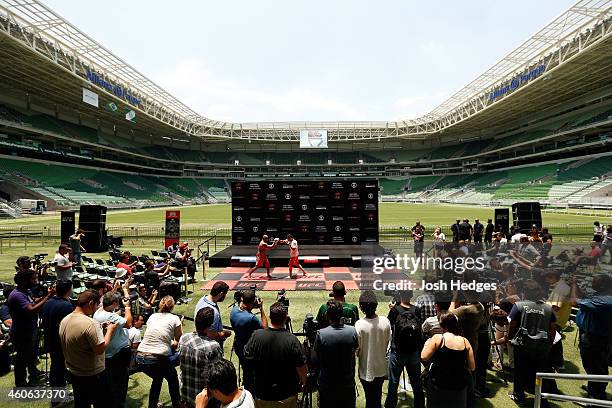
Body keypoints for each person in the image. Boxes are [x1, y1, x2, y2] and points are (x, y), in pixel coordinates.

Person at [59, 290, 117, 408]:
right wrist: (110, 331)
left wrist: (99, 329)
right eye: (96, 305)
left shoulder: (65, 319)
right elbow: (100, 349)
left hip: (75, 372)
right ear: (91, 303)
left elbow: (81, 339)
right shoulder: (91, 324)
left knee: (81, 403)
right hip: (93, 374)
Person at [244, 302, 307, 407]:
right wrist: (304, 382)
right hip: (286, 395)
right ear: (286, 318)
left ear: (269, 317)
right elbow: (301, 366)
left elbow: (247, 358)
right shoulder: (292, 340)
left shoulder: (256, 336)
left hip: (262, 393)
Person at [507, 280, 556, 405]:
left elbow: (512, 324)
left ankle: (518, 394)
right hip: (542, 346)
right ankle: (542, 398)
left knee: (520, 370)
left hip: (522, 345)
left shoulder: (518, 305)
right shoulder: (548, 308)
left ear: (525, 293)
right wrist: (550, 344)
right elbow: (552, 328)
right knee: (540, 372)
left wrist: (509, 337)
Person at [8, 268, 55, 387]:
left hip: (30, 330)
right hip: (21, 332)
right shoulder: (17, 295)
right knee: (21, 358)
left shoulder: (25, 291)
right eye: (33, 279)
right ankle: (21, 383)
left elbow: (33, 302)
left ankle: (34, 373)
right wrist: (48, 297)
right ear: (25, 280)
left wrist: (46, 296)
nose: (36, 281)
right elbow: (31, 309)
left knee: (31, 355)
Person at [421, 312, 476, 408]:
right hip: (459, 384)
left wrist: (426, 343)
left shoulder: (438, 338)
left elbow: (424, 357)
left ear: (442, 325)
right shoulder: (465, 341)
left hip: (438, 383)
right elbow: (472, 367)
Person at [136, 295, 183, 408]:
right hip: (156, 358)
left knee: (158, 378)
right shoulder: (175, 319)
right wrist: (180, 324)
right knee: (172, 378)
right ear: (172, 306)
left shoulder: (153, 316)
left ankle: (153, 405)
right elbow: (178, 342)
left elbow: (158, 336)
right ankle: (177, 404)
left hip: (140, 356)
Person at [571, 274, 612, 401]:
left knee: (595, 368)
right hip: (595, 338)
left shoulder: (604, 301)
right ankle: (594, 389)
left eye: (595, 282)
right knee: (596, 367)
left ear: (603, 285)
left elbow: (574, 300)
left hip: (595, 340)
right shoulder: (602, 296)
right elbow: (584, 296)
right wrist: (576, 283)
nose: (591, 283)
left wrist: (573, 286)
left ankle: (594, 398)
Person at [93, 283, 133, 408]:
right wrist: (127, 307)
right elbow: (128, 323)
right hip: (118, 353)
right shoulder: (111, 316)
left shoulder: (99, 311)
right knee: (121, 379)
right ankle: (120, 403)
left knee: (112, 380)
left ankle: (113, 401)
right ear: (115, 303)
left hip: (108, 353)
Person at [315, 299, 359, 408]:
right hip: (347, 382)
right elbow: (354, 351)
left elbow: (318, 356)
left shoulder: (321, 334)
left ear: (328, 316)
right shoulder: (352, 331)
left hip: (327, 384)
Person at [385, 290, 424, 408]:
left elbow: (389, 326)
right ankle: (420, 405)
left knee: (393, 382)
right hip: (414, 352)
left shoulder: (394, 310)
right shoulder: (417, 310)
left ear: (400, 295)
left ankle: (390, 405)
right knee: (416, 382)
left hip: (397, 352)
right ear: (411, 295)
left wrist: (393, 308)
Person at [179, 307, 223, 408]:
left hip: (185, 394)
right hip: (205, 399)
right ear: (210, 325)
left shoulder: (184, 339)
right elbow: (218, 375)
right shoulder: (213, 347)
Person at [354, 291, 391, 408]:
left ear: (361, 307)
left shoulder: (359, 325)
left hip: (365, 369)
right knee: (376, 397)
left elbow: (357, 350)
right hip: (381, 368)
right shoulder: (385, 322)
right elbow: (388, 344)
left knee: (370, 399)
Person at [230, 289, 267, 391]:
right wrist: (261, 308)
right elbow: (264, 328)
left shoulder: (234, 311)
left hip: (239, 346)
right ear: (253, 302)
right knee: (251, 374)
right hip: (250, 351)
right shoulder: (251, 319)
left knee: (246, 372)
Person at [41, 279, 74, 393]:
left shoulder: (48, 302)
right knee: (59, 368)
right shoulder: (66, 306)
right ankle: (59, 397)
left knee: (55, 367)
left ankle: (58, 392)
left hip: (50, 339)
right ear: (69, 290)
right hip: (60, 342)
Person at [544, 270, 571, 371]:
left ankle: (557, 363)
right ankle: (557, 363)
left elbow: (555, 307)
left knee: (553, 342)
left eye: (547, 278)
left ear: (552, 276)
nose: (546, 280)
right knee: (556, 341)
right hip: (559, 319)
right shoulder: (563, 286)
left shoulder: (560, 288)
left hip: (554, 320)